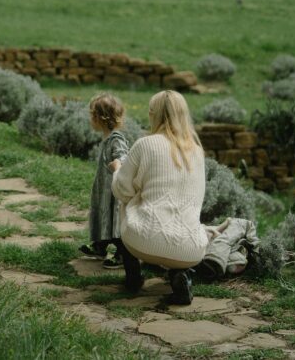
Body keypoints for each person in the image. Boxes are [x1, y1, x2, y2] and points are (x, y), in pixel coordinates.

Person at [112, 90, 208, 305]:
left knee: (125, 201)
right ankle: (180, 275)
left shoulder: (145, 144)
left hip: (143, 243)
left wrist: (118, 168)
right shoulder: (197, 151)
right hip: (192, 250)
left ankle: (133, 278)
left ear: (153, 114)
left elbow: (122, 189)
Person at [80, 93, 132, 269]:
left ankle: (122, 254)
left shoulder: (116, 139)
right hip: (104, 189)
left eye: (91, 115)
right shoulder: (106, 138)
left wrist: (118, 164)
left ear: (99, 118)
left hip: (113, 191)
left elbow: (123, 157)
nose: (90, 119)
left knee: (113, 220)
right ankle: (100, 246)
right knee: (102, 216)